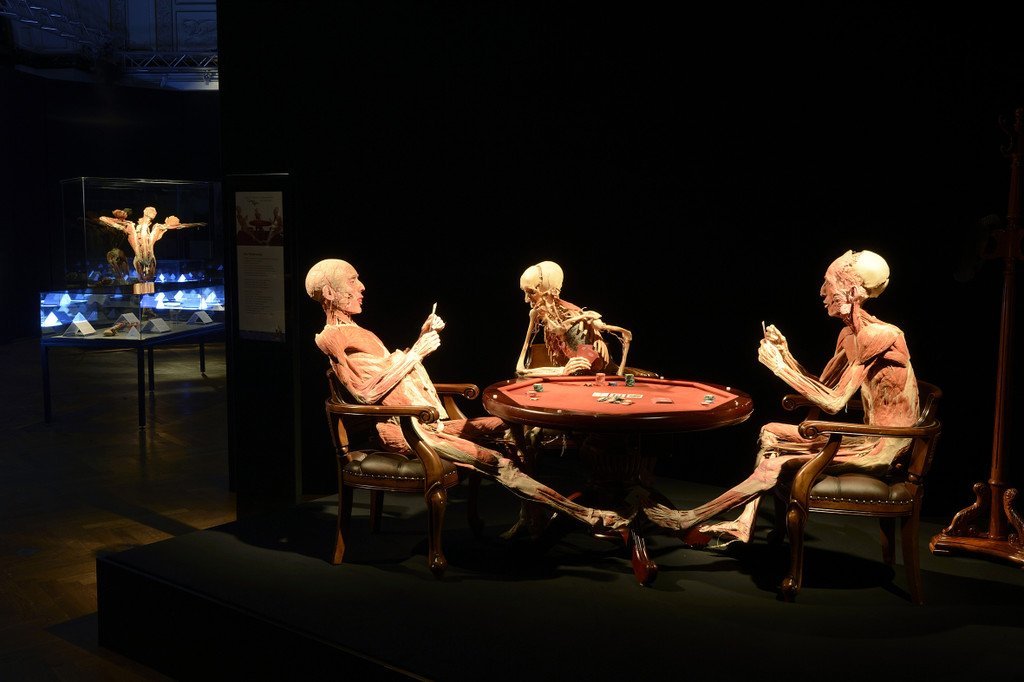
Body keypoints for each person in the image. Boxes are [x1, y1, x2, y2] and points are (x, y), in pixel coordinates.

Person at [305, 258, 630, 534]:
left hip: (426, 423)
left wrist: (421, 338)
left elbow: (391, 377)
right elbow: (366, 394)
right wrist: (417, 351)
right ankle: (590, 516)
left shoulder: (358, 332)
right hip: (407, 431)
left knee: (513, 429)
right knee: (497, 462)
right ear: (330, 292)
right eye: (353, 281)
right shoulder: (330, 337)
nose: (362, 287)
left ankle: (534, 516)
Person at [645, 249, 920, 544]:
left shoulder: (880, 335)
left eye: (829, 283)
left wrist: (779, 367)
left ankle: (689, 518)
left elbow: (833, 402)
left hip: (884, 447)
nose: (822, 292)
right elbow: (822, 387)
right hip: (867, 438)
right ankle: (744, 523)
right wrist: (785, 354)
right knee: (770, 431)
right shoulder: (849, 335)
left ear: (852, 292)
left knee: (773, 464)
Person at [515, 260, 634, 377]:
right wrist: (561, 371)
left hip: (599, 372)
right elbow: (520, 369)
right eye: (524, 292)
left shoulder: (579, 316)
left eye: (531, 292)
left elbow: (627, 334)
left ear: (550, 290)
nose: (526, 299)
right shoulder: (535, 314)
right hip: (574, 376)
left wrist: (620, 372)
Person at [98, 206, 204, 282]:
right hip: (139, 256)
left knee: (148, 278)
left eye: (155, 211)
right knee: (142, 277)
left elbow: (178, 226)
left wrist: (195, 224)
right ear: (145, 212)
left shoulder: (156, 227)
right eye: (152, 210)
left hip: (150, 257)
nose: (155, 212)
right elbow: (102, 218)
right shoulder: (130, 225)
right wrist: (118, 226)